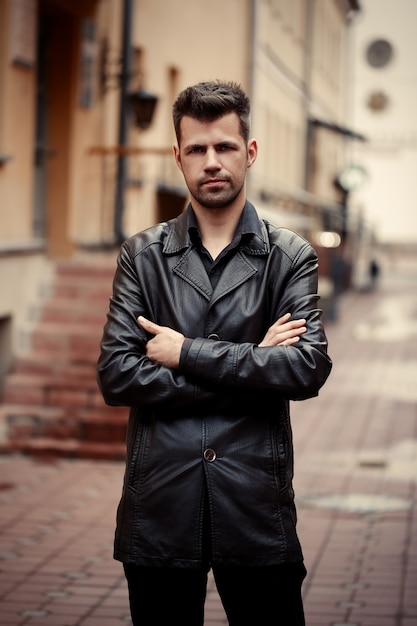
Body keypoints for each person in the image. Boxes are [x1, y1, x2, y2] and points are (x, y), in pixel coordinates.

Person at [97, 80, 332, 626]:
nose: (212, 162)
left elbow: (305, 366)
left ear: (249, 152)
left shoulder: (289, 256)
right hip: (161, 504)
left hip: (254, 505)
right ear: (177, 156)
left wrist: (185, 353)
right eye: (197, 149)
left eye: (224, 147)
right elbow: (116, 375)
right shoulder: (143, 256)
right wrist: (253, 360)